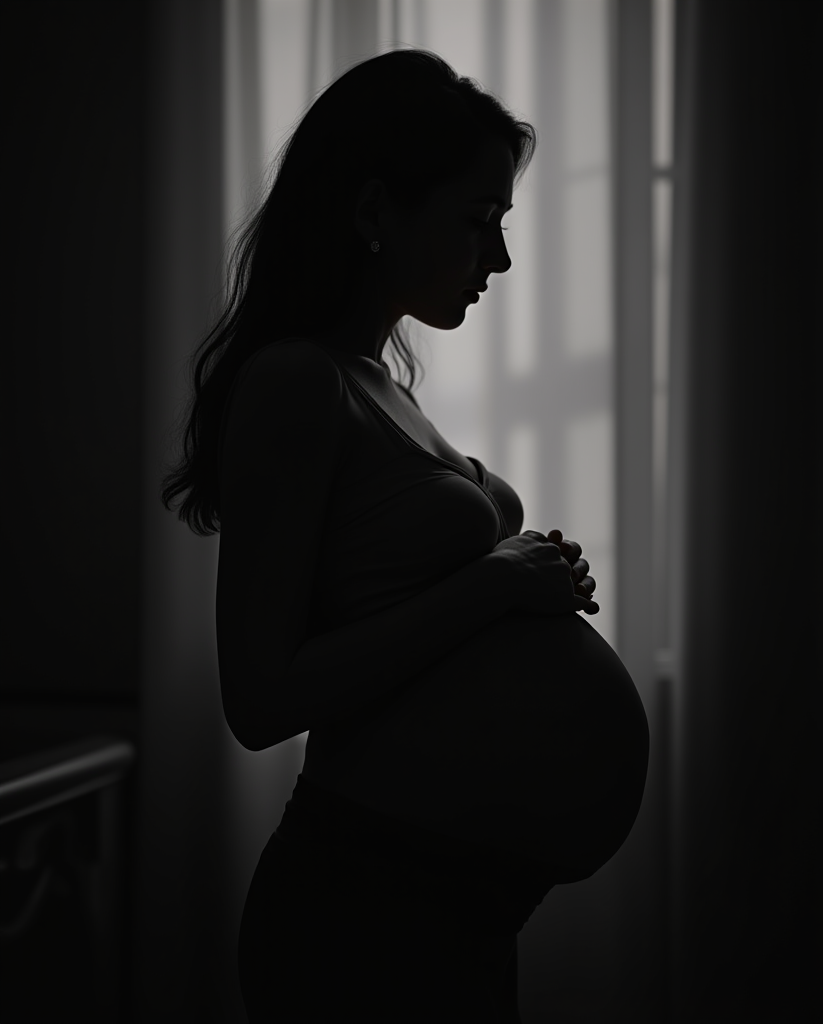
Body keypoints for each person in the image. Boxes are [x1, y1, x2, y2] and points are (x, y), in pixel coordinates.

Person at [161, 48, 649, 1023]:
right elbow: (259, 700)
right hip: (365, 908)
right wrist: (493, 589)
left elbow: (404, 600)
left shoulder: (374, 380)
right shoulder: (296, 382)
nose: (499, 259)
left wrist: (519, 575)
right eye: (478, 223)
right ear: (376, 213)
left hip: (446, 905)